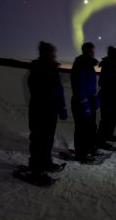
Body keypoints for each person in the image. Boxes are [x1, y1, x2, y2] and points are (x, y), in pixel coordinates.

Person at [27, 41, 67, 180]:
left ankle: (45, 163)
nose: (54, 55)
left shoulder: (52, 69)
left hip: (51, 111)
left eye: (53, 52)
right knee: (39, 140)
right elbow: (38, 91)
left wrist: (61, 107)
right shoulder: (37, 68)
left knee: (48, 139)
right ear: (44, 53)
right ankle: (36, 169)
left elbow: (58, 90)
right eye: (51, 52)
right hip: (40, 110)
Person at [70, 42, 99, 163]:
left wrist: (95, 99)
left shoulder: (89, 65)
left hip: (89, 100)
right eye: (91, 51)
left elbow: (91, 84)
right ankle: (81, 154)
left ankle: (89, 148)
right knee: (82, 129)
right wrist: (85, 104)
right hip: (81, 102)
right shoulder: (81, 64)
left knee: (91, 127)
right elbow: (79, 87)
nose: (93, 53)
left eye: (93, 51)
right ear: (86, 51)